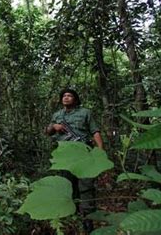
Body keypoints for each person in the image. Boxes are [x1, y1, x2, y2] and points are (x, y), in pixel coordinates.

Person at [45, 88, 104, 233]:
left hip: (83, 154)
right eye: (64, 96)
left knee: (86, 186)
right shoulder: (57, 115)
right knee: (69, 187)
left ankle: (88, 222)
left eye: (69, 95)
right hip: (65, 157)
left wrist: (100, 149)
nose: (66, 98)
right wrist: (54, 126)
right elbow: (47, 131)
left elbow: (95, 131)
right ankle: (74, 219)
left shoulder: (85, 113)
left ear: (75, 99)